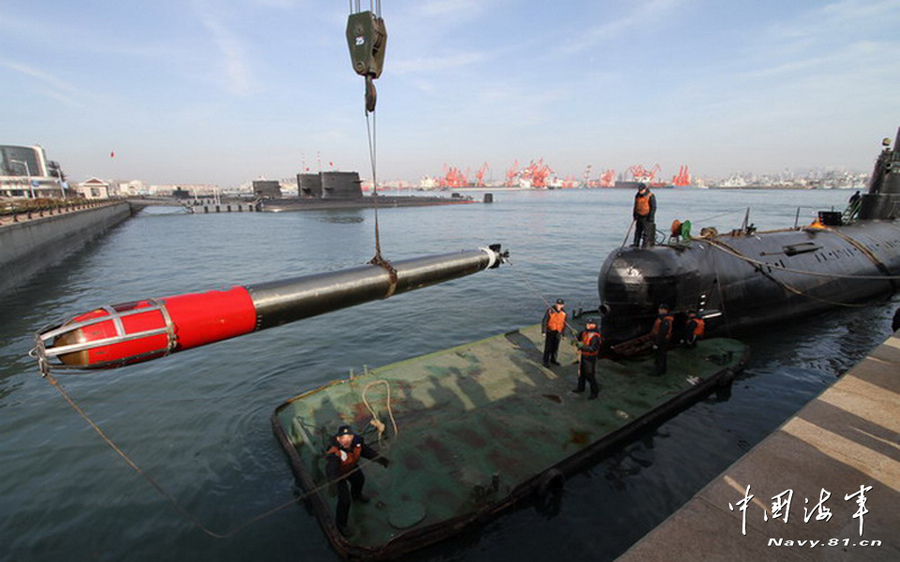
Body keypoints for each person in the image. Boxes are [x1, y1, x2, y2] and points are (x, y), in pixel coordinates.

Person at [325, 425, 390, 537]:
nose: (346, 441)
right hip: (337, 474)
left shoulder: (357, 443)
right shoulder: (334, 452)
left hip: (350, 467)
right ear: (338, 439)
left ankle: (356, 495)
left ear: (352, 437)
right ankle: (341, 525)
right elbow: (332, 468)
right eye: (343, 438)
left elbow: (367, 452)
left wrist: (380, 460)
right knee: (344, 500)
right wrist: (334, 483)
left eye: (349, 437)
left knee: (359, 479)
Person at [573, 318, 601, 399]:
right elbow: (579, 338)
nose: (587, 325)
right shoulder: (584, 333)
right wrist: (575, 334)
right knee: (582, 373)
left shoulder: (595, 336)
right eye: (587, 323)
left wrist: (582, 347)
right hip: (583, 355)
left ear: (594, 325)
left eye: (590, 324)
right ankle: (580, 388)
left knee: (590, 374)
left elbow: (593, 349)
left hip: (590, 358)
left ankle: (594, 392)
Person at [542, 299, 567, 367]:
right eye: (557, 304)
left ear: (563, 305)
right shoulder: (550, 311)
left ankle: (553, 360)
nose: (558, 306)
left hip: (558, 332)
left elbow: (564, 324)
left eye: (560, 304)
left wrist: (564, 334)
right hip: (550, 331)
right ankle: (545, 361)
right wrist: (544, 331)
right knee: (548, 347)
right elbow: (544, 321)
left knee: (555, 347)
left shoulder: (564, 313)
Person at [650, 304, 674, 376]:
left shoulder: (665, 320)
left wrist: (656, 343)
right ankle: (663, 369)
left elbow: (662, 333)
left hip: (661, 341)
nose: (659, 310)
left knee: (659, 356)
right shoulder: (663, 318)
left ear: (665, 310)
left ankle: (658, 371)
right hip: (662, 340)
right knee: (662, 355)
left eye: (661, 309)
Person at [632, 183, 657, 248]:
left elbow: (653, 207)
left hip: (647, 216)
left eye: (641, 190)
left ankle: (645, 245)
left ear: (645, 189)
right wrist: (635, 215)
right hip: (639, 216)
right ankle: (636, 243)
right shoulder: (637, 195)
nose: (640, 192)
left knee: (646, 232)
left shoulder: (650, 196)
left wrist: (651, 217)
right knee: (638, 231)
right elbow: (636, 206)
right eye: (639, 190)